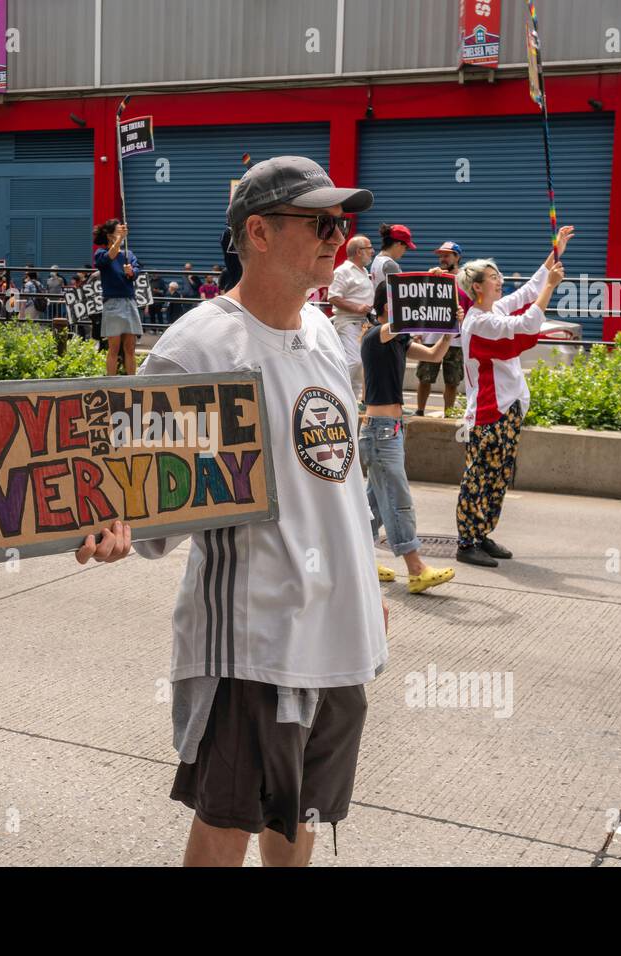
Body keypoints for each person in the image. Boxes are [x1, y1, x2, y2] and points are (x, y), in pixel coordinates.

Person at [77, 156, 386, 867]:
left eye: (340, 221)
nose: (338, 235)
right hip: (255, 642)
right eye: (320, 221)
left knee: (298, 816)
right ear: (260, 232)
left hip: (339, 635)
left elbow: (340, 476)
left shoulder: (320, 334)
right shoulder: (197, 350)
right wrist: (112, 524)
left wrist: (363, 580)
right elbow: (135, 489)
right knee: (229, 824)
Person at [454, 226, 573, 567]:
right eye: (493, 277)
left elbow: (528, 290)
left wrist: (557, 250)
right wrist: (551, 286)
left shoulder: (495, 311)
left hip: (508, 408)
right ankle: (466, 541)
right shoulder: (479, 323)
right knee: (478, 476)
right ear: (477, 287)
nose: (500, 280)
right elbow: (524, 327)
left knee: (499, 474)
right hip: (489, 412)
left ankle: (482, 533)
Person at [360, 279, 459, 593]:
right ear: (388, 307)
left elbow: (432, 355)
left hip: (390, 430)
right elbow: (397, 325)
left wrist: (448, 328)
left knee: (374, 503)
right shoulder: (376, 335)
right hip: (380, 432)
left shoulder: (399, 341)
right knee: (397, 498)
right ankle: (416, 568)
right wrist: (429, 308)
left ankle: (360, 560)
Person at [415, 241, 472, 417]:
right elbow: (420, 303)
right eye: (440, 255)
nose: (442, 259)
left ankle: (448, 414)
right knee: (424, 378)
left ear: (457, 257)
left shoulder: (466, 280)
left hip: (456, 338)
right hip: (432, 337)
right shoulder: (434, 276)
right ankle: (420, 410)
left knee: (452, 381)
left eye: (446, 255)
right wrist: (418, 332)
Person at [327, 234, 375, 404]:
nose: (372, 252)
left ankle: (351, 403)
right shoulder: (342, 271)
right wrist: (357, 308)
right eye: (369, 249)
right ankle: (335, 394)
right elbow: (333, 297)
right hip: (348, 322)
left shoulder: (363, 271)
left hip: (362, 323)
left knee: (359, 363)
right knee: (353, 361)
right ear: (359, 251)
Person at [93, 218, 143, 376]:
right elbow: (109, 257)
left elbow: (136, 271)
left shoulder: (129, 254)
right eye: (118, 231)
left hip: (129, 301)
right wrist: (120, 239)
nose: (122, 233)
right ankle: (111, 383)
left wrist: (131, 272)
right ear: (109, 235)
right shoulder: (100, 253)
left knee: (130, 348)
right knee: (113, 348)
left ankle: (131, 381)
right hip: (112, 302)